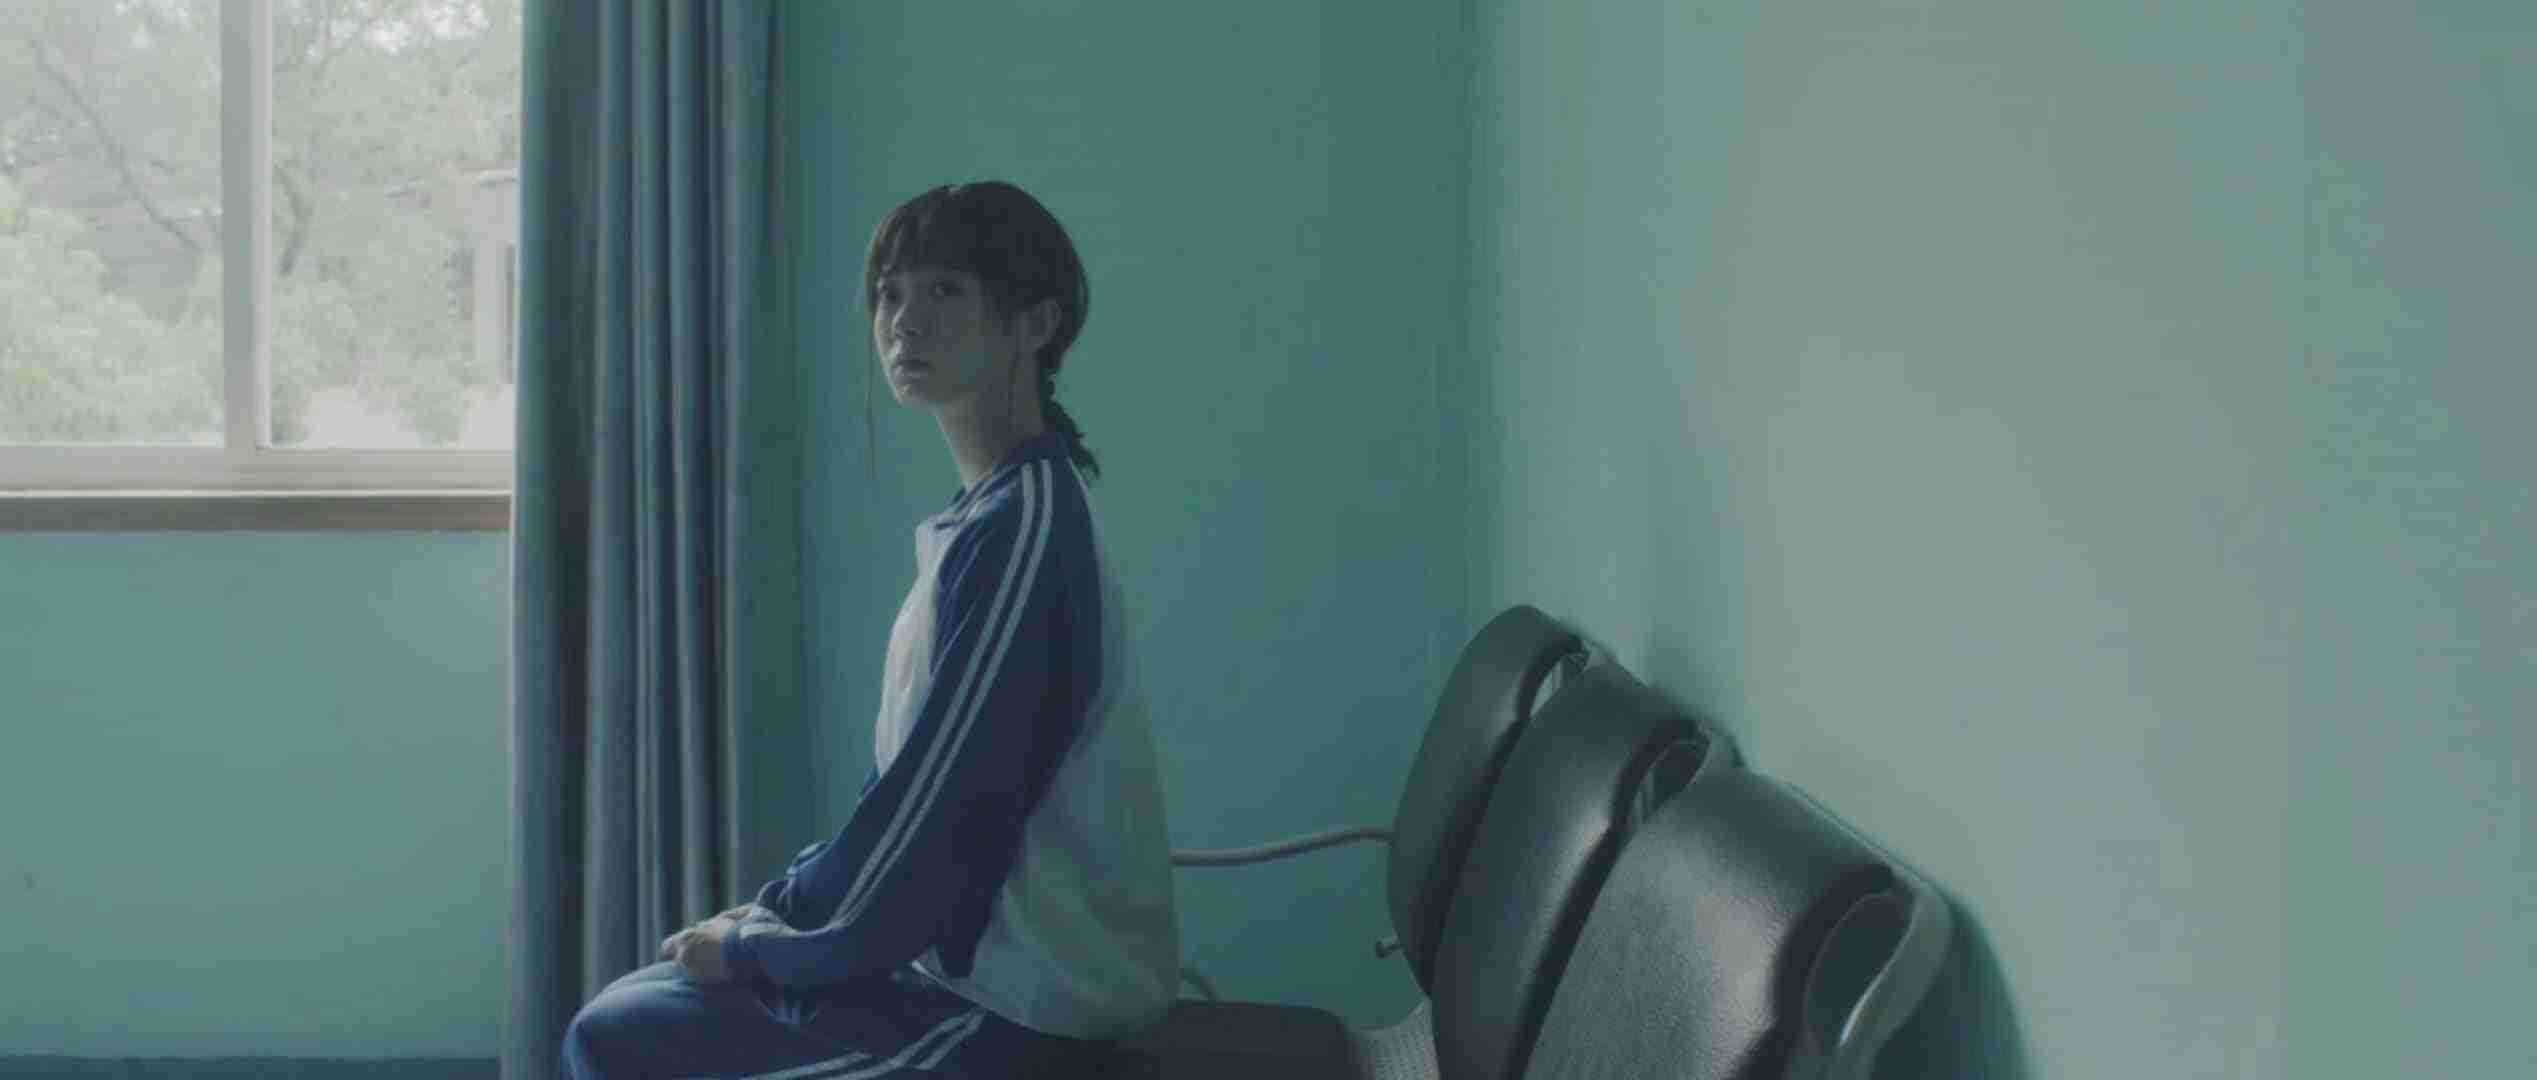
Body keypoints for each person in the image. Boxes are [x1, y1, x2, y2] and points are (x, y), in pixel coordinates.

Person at [563, 181, 1180, 1078]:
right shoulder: (988, 516)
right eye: (890, 294)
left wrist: (761, 948)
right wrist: (774, 911)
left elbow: (944, 815)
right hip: (952, 967)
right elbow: (905, 793)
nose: (904, 322)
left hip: (1020, 1004)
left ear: (1035, 324)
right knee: (628, 1010)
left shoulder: (1024, 533)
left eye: (945, 291)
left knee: (621, 1042)